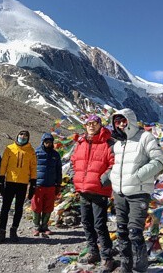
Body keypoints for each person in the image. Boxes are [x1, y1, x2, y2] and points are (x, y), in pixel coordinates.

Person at [101, 108, 163, 273]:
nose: (121, 124)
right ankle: (126, 266)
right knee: (122, 231)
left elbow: (159, 160)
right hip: (120, 193)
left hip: (139, 193)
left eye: (124, 120)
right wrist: (109, 176)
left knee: (134, 232)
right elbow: (119, 166)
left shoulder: (145, 137)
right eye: (117, 122)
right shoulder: (118, 143)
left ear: (131, 120)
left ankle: (140, 267)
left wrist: (138, 176)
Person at [71, 114, 115, 272]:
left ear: (100, 125)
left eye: (94, 123)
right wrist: (76, 176)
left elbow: (113, 164)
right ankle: (93, 252)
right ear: (85, 125)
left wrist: (103, 178)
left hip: (99, 190)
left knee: (99, 225)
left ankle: (107, 257)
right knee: (86, 222)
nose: (91, 126)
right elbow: (74, 160)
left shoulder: (108, 143)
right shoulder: (81, 142)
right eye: (88, 123)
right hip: (83, 190)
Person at [0, 130, 37, 244]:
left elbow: (33, 167)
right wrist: (1, 179)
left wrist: (33, 183)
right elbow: (4, 164)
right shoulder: (9, 148)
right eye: (21, 135)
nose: (23, 137)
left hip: (22, 184)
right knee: (5, 208)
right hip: (10, 182)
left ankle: (13, 231)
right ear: (17, 136)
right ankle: (1, 232)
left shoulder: (31, 151)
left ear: (28, 138)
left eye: (26, 135)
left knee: (18, 208)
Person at [31, 133, 62, 237]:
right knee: (36, 206)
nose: (48, 143)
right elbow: (31, 168)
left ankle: (44, 226)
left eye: (50, 142)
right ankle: (36, 227)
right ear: (42, 142)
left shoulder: (55, 155)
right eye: (46, 142)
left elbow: (59, 170)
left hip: (51, 185)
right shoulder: (36, 153)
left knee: (48, 207)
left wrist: (58, 184)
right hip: (38, 185)